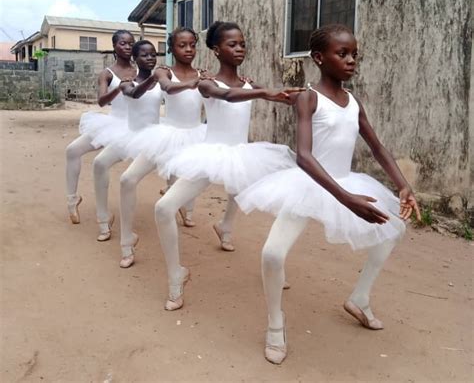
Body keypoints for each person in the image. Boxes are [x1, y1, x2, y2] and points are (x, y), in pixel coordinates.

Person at [236, 24, 422, 364]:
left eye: (354, 54)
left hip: (346, 181)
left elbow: (376, 146)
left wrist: (402, 185)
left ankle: (360, 299)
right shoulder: (308, 98)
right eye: (343, 54)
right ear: (319, 58)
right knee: (272, 255)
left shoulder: (353, 101)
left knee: (392, 231)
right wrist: (345, 198)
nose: (351, 60)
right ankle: (275, 325)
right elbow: (304, 156)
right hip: (309, 183)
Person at [154, 21, 304, 311]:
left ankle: (234, 233)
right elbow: (228, 95)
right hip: (210, 154)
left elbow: (285, 98)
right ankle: (176, 275)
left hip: (244, 154)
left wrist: (305, 96)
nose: (239, 49)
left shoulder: (250, 82)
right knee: (163, 208)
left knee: (281, 202)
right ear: (215, 49)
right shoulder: (208, 82)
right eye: (232, 44)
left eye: (242, 44)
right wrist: (265, 93)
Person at [118, 27, 207, 268]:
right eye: (181, 45)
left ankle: (193, 214)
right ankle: (127, 241)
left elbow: (222, 93)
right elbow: (168, 88)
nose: (188, 49)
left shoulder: (204, 74)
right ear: (171, 48)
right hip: (167, 136)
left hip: (197, 135)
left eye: (192, 45)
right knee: (127, 179)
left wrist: (245, 84)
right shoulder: (163, 71)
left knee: (195, 178)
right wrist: (194, 83)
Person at [90, 40, 162, 242]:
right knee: (99, 163)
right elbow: (136, 93)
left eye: (153, 54)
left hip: (155, 137)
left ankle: (184, 209)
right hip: (131, 135)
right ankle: (104, 219)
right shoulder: (127, 83)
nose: (150, 58)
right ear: (135, 59)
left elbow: (177, 91)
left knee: (174, 170)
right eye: (145, 55)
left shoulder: (162, 81)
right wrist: (152, 80)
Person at [65, 30, 136, 225]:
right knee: (72, 150)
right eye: (123, 43)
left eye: (131, 43)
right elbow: (101, 101)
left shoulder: (140, 70)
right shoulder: (107, 73)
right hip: (112, 123)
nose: (128, 46)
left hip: (133, 126)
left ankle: (179, 200)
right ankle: (72, 200)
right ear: (115, 46)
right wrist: (118, 88)